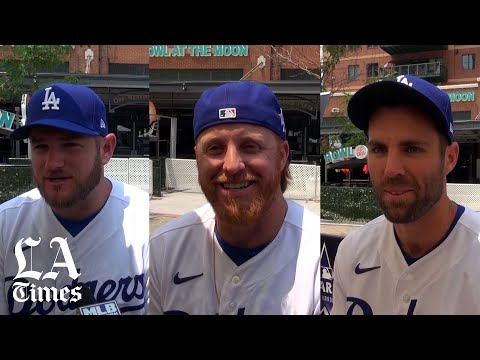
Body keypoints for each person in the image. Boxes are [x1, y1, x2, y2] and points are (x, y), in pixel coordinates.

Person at [149, 81, 320, 314]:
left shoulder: (320, 257)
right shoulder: (164, 249)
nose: (231, 165)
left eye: (250, 146)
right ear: (198, 159)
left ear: (282, 156)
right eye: (215, 149)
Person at [331, 74, 480, 315]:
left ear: (450, 158)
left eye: (412, 149)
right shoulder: (352, 252)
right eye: (379, 149)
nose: (391, 169)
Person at [0, 83, 149, 315]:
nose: (53, 163)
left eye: (70, 145)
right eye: (41, 146)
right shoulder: (5, 225)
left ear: (106, 149)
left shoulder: (145, 223)